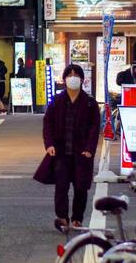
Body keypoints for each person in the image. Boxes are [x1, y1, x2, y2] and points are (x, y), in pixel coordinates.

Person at [34, 64, 101, 232]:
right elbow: (48, 123)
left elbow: (94, 128)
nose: (73, 78)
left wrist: (90, 149)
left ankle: (77, 218)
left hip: (82, 152)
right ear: (64, 79)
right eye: (69, 75)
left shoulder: (90, 103)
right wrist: (49, 144)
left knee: (81, 186)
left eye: (76, 75)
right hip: (61, 152)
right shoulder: (57, 101)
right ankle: (62, 217)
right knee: (61, 185)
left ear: (82, 79)